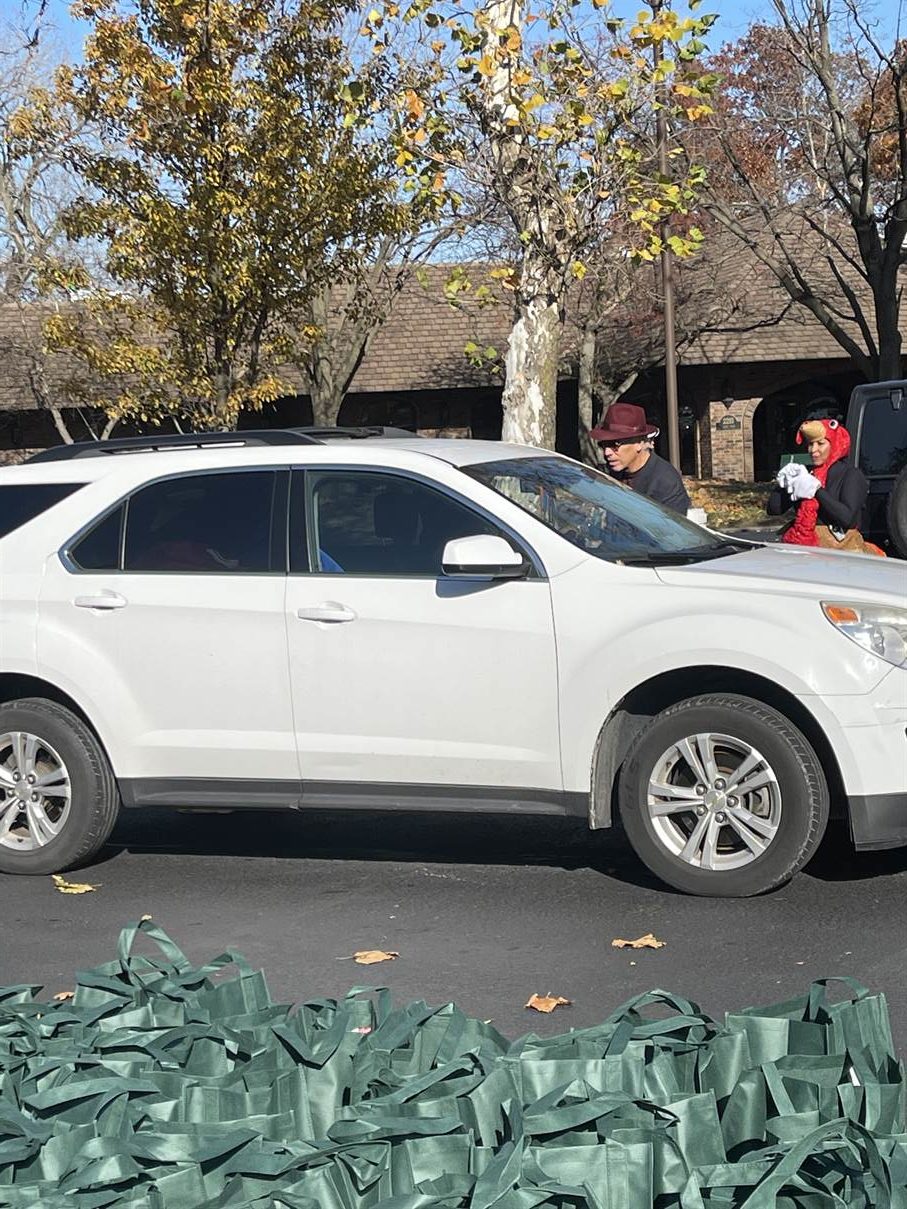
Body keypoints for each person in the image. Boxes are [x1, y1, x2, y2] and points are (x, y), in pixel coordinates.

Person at [766, 417, 881, 554]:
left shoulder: (851, 474)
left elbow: (847, 519)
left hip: (843, 551)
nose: (813, 450)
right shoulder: (805, 474)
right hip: (804, 548)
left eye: (820, 443)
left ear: (835, 444)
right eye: (810, 444)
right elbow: (774, 509)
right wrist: (785, 485)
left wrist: (816, 490)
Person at [590, 402, 691, 514]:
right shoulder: (612, 473)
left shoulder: (666, 482)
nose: (607, 452)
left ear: (639, 443)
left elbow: (670, 524)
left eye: (615, 444)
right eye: (603, 445)